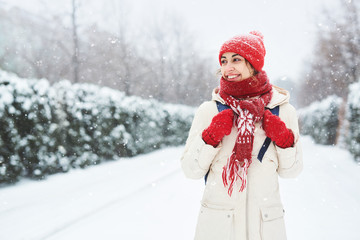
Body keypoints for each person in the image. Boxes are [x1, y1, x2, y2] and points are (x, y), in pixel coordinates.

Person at [180, 31, 303, 240]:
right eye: (224, 61)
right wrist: (210, 138)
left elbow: (291, 172)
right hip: (219, 227)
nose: (228, 68)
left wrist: (284, 139)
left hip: (265, 227)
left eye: (236, 60)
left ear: (254, 64)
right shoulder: (209, 111)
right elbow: (191, 170)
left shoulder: (282, 111)